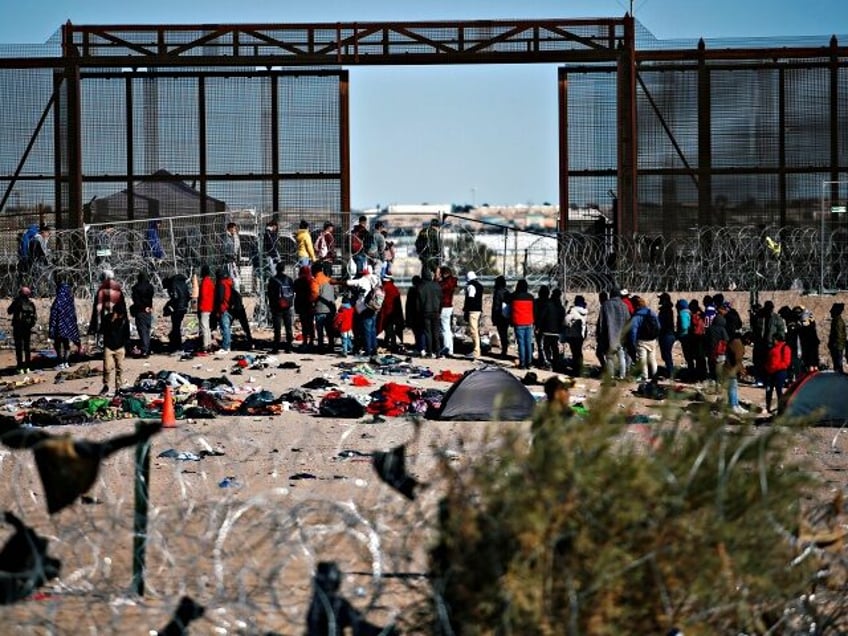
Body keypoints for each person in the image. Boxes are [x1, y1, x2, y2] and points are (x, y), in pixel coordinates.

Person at [345, 266, 382, 356]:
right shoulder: (376, 278)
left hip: (365, 308)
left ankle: (368, 350)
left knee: (366, 331)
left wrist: (338, 281)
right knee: (373, 330)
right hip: (374, 307)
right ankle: (374, 349)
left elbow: (348, 282)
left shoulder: (362, 280)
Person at [49, 276, 81, 370]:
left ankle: (60, 362)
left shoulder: (58, 301)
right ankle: (66, 361)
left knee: (58, 345)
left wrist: (52, 327)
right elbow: (72, 315)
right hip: (68, 327)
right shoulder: (69, 301)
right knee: (66, 344)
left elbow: (54, 314)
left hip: (59, 327)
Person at [100, 297, 130, 395]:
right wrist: (111, 321)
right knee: (107, 368)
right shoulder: (106, 319)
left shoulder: (124, 321)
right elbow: (102, 331)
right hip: (108, 347)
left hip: (120, 347)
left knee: (120, 368)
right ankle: (106, 385)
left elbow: (127, 334)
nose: (120, 316)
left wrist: (125, 345)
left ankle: (118, 388)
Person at [598, 289, 631, 380]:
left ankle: (611, 375)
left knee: (609, 357)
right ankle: (622, 375)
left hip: (609, 334)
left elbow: (601, 322)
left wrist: (600, 334)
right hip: (621, 335)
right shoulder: (624, 306)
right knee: (621, 356)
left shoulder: (606, 305)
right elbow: (628, 320)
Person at [267, 262, 295, 354]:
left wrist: (271, 305)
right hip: (287, 306)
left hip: (276, 307)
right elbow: (292, 292)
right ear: (284, 269)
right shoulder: (289, 279)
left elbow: (269, 294)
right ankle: (289, 347)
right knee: (288, 327)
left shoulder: (272, 280)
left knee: (277, 328)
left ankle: (276, 348)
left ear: (276, 269)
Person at [628, 296, 659, 382]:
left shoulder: (636, 316)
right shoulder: (651, 312)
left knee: (643, 360)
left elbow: (633, 330)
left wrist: (632, 342)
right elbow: (658, 325)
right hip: (652, 339)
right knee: (653, 359)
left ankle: (644, 376)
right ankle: (654, 375)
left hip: (642, 341)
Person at [8, 286, 37, 374]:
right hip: (27, 328)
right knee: (27, 347)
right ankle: (27, 367)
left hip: (18, 327)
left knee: (19, 348)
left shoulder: (17, 302)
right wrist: (30, 325)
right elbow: (35, 317)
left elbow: (9, 311)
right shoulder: (31, 303)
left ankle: (20, 367)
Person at [163, 270, 190, 353]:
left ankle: (176, 346)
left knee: (176, 327)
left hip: (178, 308)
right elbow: (188, 295)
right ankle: (176, 344)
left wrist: (170, 307)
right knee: (177, 327)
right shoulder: (182, 283)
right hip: (184, 307)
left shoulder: (173, 284)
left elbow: (175, 297)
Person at [510, 279, 535, 370]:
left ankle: (523, 363)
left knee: (521, 343)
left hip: (518, 322)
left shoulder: (514, 296)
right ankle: (529, 363)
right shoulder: (531, 297)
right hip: (529, 321)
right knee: (528, 342)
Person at [418, 268, 442, 357]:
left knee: (428, 332)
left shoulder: (421, 287)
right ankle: (438, 351)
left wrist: (419, 312)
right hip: (436, 311)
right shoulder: (437, 286)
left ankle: (430, 351)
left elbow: (418, 303)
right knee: (436, 332)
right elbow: (441, 299)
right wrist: (439, 310)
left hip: (425, 312)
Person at [723, 328, 749, 415]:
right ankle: (733, 405)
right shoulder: (738, 344)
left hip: (730, 368)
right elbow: (738, 360)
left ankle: (735, 404)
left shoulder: (736, 342)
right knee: (732, 388)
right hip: (730, 369)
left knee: (733, 387)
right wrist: (742, 370)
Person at [764, 334, 791, 414]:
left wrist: (775, 367)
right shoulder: (772, 347)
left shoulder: (785, 347)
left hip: (780, 372)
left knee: (779, 390)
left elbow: (786, 362)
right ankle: (768, 406)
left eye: (774, 339)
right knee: (768, 390)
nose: (773, 341)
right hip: (770, 372)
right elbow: (769, 359)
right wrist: (767, 367)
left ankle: (781, 408)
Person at [312, 262, 336, 352]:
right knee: (330, 330)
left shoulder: (315, 280)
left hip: (320, 309)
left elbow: (314, 294)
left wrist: (311, 302)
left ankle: (321, 348)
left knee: (320, 331)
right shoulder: (329, 279)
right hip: (330, 309)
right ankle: (331, 346)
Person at [377, 274, 404, 353]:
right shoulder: (395, 288)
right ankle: (387, 343)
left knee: (389, 329)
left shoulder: (385, 288)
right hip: (394, 313)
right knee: (389, 329)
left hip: (387, 313)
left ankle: (393, 345)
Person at [130, 270, 154, 357]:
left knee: (142, 330)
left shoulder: (136, 288)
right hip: (149, 310)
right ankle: (147, 348)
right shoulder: (150, 287)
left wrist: (142, 307)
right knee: (147, 330)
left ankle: (145, 350)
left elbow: (136, 301)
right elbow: (150, 298)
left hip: (140, 311)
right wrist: (148, 307)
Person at [562, 295, 588, 376]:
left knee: (575, 352)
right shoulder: (584, 311)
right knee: (579, 352)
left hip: (573, 334)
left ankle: (576, 370)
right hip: (581, 334)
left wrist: (569, 324)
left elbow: (565, 321)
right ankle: (580, 368)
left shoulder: (573, 311)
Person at [293, 264, 316, 352]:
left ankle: (305, 341)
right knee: (310, 324)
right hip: (310, 304)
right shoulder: (311, 280)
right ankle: (311, 341)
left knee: (304, 324)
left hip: (301, 305)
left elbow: (294, 290)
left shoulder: (297, 281)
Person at [436, 266, 458, 356]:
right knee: (447, 329)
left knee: (445, 329)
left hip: (444, 306)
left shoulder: (445, 283)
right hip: (449, 306)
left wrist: (436, 277)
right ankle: (450, 349)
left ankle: (446, 348)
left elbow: (437, 287)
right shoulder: (452, 281)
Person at [463, 270, 484, 359]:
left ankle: (476, 352)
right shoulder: (480, 285)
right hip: (478, 310)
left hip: (473, 311)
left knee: (473, 331)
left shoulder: (471, 286)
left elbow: (470, 299)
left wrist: (466, 310)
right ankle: (477, 350)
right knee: (476, 330)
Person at [213, 269, 234, 354]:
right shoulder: (229, 283)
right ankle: (227, 346)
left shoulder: (221, 284)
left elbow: (220, 298)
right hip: (229, 307)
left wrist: (217, 308)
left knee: (224, 327)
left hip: (223, 308)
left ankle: (225, 347)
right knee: (227, 328)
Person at [491, 276, 511, 359]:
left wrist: (494, 317)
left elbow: (496, 306)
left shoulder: (497, 292)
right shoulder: (507, 292)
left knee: (502, 334)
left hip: (499, 316)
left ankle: (504, 352)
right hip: (506, 316)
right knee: (505, 334)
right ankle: (505, 349)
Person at [196, 264, 215, 352]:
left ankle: (205, 345)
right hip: (209, 306)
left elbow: (203, 295)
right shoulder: (210, 282)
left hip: (204, 307)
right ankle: (209, 343)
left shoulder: (204, 282)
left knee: (204, 326)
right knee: (207, 327)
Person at [657, 292, 676, 379]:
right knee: (666, 355)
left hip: (666, 335)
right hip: (669, 334)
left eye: (661, 298)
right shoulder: (668, 309)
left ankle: (671, 373)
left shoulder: (665, 310)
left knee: (666, 355)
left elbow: (662, 324)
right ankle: (670, 371)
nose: (659, 300)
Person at [29, 224, 52, 293]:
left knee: (36, 278)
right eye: (48, 233)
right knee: (47, 277)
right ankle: (50, 292)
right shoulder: (39, 239)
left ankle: (35, 292)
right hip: (40, 262)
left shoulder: (36, 238)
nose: (49, 234)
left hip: (36, 261)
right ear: (43, 232)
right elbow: (44, 251)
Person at [405, 275, 424, 355]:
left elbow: (408, 304)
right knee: (422, 332)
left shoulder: (412, 290)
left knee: (417, 332)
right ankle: (422, 347)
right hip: (422, 313)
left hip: (414, 314)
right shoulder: (423, 289)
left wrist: (407, 318)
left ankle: (419, 347)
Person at [675, 299, 693, 377]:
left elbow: (684, 326)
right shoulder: (689, 312)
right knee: (689, 355)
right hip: (688, 336)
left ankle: (690, 371)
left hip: (685, 336)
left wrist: (679, 332)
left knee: (687, 355)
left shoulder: (682, 313)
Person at [222, 222, 241, 292]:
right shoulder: (226, 238)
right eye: (234, 228)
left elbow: (238, 249)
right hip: (228, 261)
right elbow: (224, 249)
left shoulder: (235, 237)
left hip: (233, 261)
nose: (235, 230)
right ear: (230, 229)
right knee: (232, 279)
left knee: (235, 278)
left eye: (235, 229)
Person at [828, 302, 846, 373]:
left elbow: (839, 335)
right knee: (837, 364)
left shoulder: (838, 321)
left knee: (838, 364)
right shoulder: (836, 320)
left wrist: (835, 345)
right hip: (837, 346)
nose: (830, 312)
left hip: (837, 347)